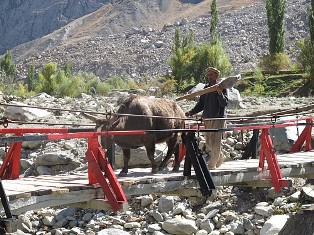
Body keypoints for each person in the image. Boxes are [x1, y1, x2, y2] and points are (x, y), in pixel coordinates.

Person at [185, 67, 228, 169]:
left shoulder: (222, 87)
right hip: (207, 118)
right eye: (208, 75)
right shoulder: (206, 88)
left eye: (211, 75)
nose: (209, 77)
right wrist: (191, 112)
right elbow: (201, 104)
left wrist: (219, 93)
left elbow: (224, 103)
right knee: (208, 142)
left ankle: (212, 165)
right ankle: (220, 157)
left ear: (216, 75)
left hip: (218, 118)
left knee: (216, 143)